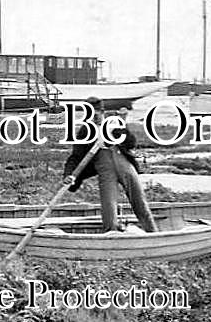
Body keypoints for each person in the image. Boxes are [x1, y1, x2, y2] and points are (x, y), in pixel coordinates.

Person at [62, 97, 158, 233]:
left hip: (125, 166)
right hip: (106, 171)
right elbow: (75, 157)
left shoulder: (113, 123)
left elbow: (131, 143)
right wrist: (69, 175)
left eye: (97, 113)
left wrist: (121, 132)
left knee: (140, 203)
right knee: (109, 208)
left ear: (102, 112)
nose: (95, 117)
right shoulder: (85, 132)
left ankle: (153, 233)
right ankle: (111, 237)